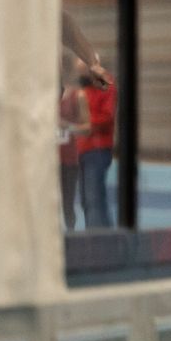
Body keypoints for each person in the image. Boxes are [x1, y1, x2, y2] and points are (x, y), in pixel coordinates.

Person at [78, 67, 117, 229]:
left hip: (98, 148)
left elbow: (107, 117)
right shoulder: (83, 89)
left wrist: (85, 122)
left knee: (93, 198)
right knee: (88, 200)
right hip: (81, 149)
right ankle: (100, 235)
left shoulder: (106, 86)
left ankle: (96, 238)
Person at [57, 55, 90, 232]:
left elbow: (87, 127)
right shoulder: (49, 96)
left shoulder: (79, 96)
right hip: (49, 157)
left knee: (67, 203)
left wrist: (68, 126)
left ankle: (70, 235)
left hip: (69, 158)